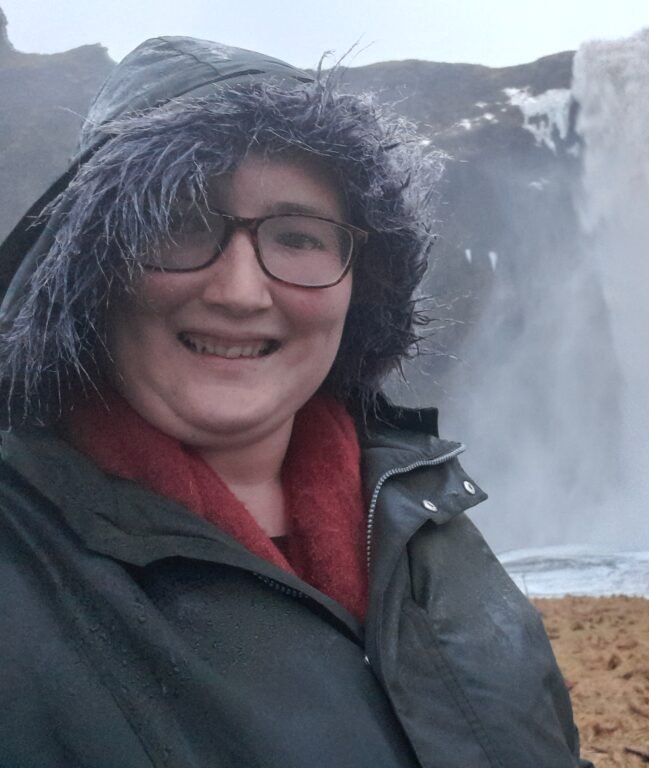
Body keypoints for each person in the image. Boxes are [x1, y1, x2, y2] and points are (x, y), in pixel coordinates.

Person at [0, 36, 590, 767]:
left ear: (358, 283)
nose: (241, 292)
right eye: (178, 223)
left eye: (299, 236)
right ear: (91, 267)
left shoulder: (418, 514)